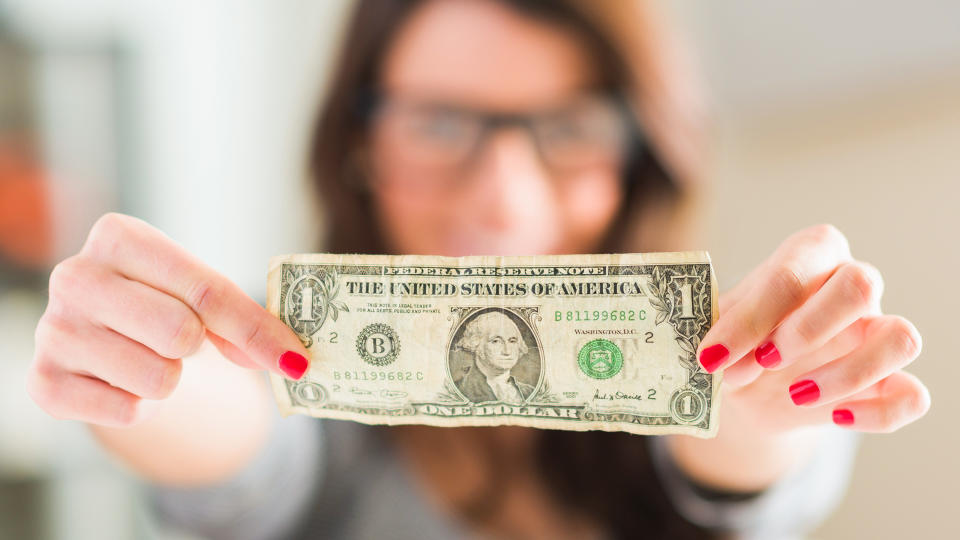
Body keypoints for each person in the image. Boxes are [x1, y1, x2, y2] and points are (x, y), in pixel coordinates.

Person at [27, 0, 931, 538]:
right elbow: (242, 450)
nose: (502, 194)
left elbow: (740, 470)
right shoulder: (307, 391)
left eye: (568, 128)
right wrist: (154, 372)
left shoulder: (727, 362)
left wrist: (761, 400)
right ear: (358, 145)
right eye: (439, 125)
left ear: (640, 158)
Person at [452, 310, 536, 403]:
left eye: (512, 341)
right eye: (496, 341)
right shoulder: (457, 391)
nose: (507, 351)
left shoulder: (530, 392)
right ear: (476, 344)